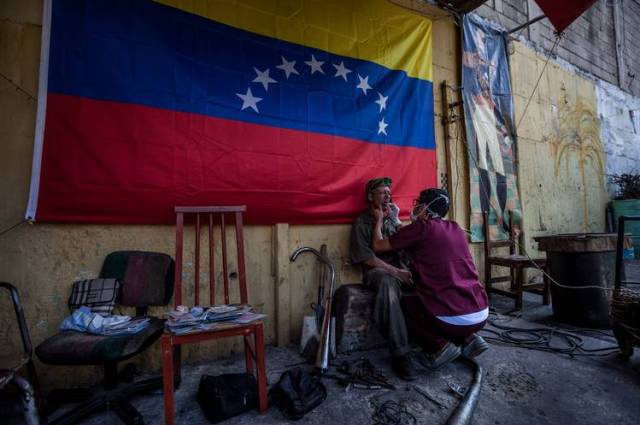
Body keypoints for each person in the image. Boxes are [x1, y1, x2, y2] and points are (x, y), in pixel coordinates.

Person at [372, 188, 489, 370]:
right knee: (445, 301)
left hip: (454, 318)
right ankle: (469, 338)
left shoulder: (421, 228)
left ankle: (439, 346)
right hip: (480, 311)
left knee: (404, 304)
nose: (416, 207)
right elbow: (410, 236)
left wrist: (379, 219)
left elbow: (378, 246)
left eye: (419, 203)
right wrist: (396, 221)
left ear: (426, 208)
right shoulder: (455, 228)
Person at [350, 177, 418, 380]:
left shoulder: (392, 217)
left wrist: (397, 222)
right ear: (371, 196)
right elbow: (365, 257)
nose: (387, 196)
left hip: (400, 267)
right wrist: (396, 272)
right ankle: (401, 353)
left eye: (389, 192)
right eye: (382, 192)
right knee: (388, 283)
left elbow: (408, 244)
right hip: (377, 272)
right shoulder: (362, 221)